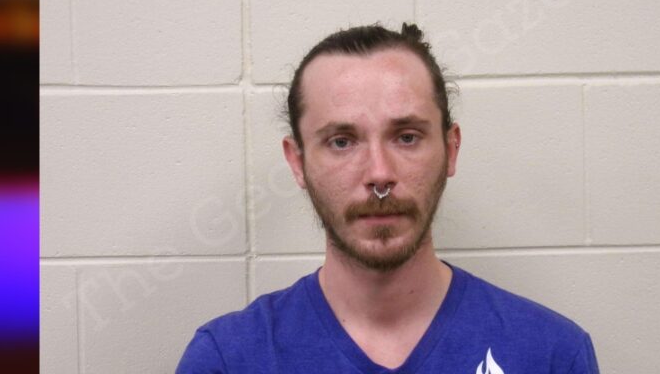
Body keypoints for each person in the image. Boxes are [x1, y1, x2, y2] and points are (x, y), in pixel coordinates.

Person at [176, 23, 600, 373]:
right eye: (342, 142)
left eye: (407, 137)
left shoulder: (551, 354)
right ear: (297, 162)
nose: (379, 174)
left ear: (450, 149)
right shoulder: (228, 359)